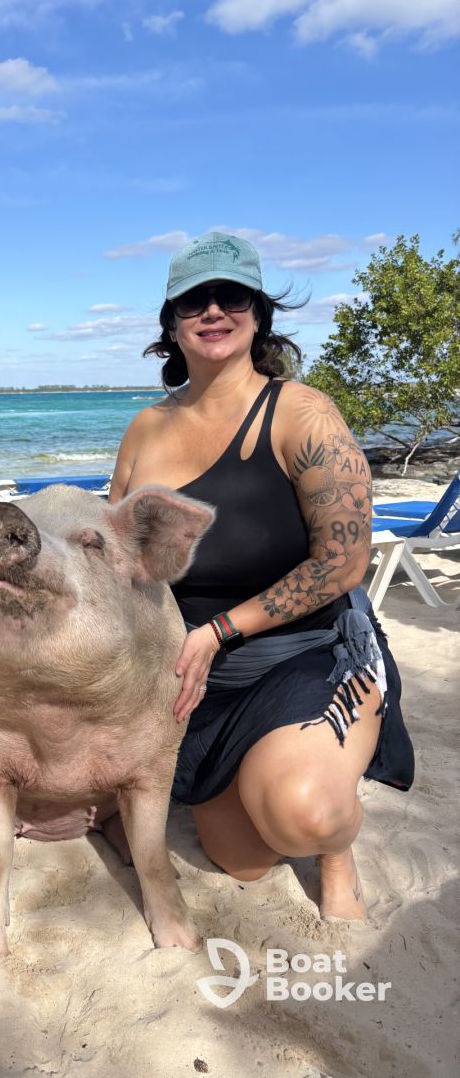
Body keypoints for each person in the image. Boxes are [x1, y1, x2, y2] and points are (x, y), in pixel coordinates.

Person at [110, 231, 414, 920]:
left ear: (258, 314)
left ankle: (336, 852)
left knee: (305, 819)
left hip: (302, 653)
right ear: (171, 322)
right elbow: (119, 559)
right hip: (192, 674)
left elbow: (343, 561)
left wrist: (221, 629)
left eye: (232, 296)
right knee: (244, 863)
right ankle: (267, 768)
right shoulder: (144, 429)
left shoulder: (301, 414)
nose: (213, 311)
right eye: (194, 300)